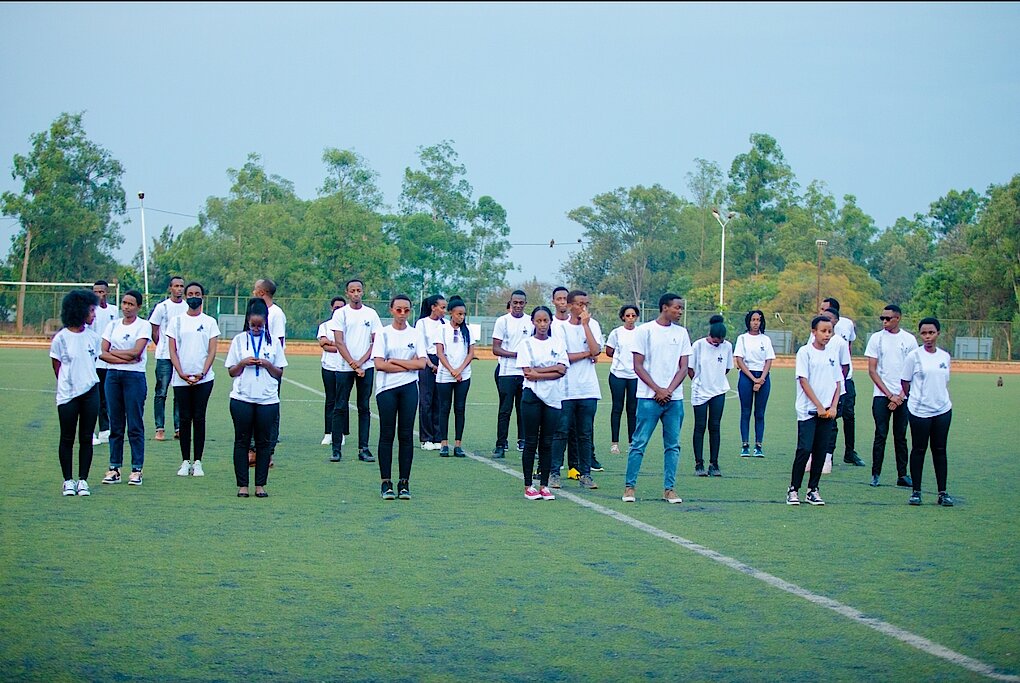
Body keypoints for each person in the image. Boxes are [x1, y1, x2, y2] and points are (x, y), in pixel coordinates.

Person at [623, 293, 691, 504]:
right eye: (677, 308)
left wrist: (668, 390)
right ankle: (629, 487)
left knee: (673, 445)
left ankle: (669, 489)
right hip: (648, 398)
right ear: (664, 307)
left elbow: (684, 367)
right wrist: (657, 389)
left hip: (674, 399)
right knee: (638, 443)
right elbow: (638, 365)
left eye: (681, 308)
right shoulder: (645, 331)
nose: (680, 312)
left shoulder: (681, 333)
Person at [225, 298, 287, 498]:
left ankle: (260, 485)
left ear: (266, 323)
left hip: (267, 400)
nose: (256, 329)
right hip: (242, 398)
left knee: (264, 443)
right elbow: (232, 372)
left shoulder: (273, 342)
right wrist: (243, 363)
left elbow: (279, 373)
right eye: (253, 325)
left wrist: (267, 364)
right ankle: (242, 485)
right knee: (241, 441)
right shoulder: (239, 340)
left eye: (260, 325)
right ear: (248, 322)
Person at [372, 295, 427, 500]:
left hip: (409, 388)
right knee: (387, 434)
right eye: (398, 310)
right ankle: (386, 482)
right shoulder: (383, 333)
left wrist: (395, 361)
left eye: (406, 310)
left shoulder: (416, 334)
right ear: (391, 310)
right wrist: (408, 364)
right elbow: (379, 364)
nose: (402, 314)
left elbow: (421, 364)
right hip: (387, 389)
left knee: (406, 435)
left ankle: (404, 483)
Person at [549, 290, 603, 490]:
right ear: (570, 305)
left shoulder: (592, 324)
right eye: (580, 304)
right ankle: (554, 473)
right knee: (561, 432)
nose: (584, 307)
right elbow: (564, 357)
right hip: (565, 389)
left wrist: (586, 325)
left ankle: (585, 474)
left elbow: (596, 350)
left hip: (588, 390)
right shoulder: (559, 328)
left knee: (585, 434)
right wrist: (587, 354)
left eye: (586, 304)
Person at [787, 315, 843, 506]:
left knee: (820, 451)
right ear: (814, 332)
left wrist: (833, 406)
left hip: (827, 412)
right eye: (823, 331)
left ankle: (813, 489)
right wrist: (818, 406)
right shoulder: (805, 352)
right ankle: (793, 489)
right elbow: (803, 381)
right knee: (805, 449)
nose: (827, 335)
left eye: (830, 331)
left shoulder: (832, 354)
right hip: (808, 411)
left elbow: (838, 383)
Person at [51, 289, 102, 496]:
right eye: (91, 310)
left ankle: (83, 480)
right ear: (79, 310)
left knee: (86, 437)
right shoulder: (60, 339)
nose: (94, 315)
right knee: (67, 438)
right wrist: (69, 384)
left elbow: (93, 362)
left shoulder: (94, 338)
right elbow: (56, 365)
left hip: (91, 392)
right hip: (68, 395)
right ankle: (68, 481)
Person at [167, 282, 220, 478]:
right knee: (184, 419)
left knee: (199, 418)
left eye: (197, 293)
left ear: (202, 297)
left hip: (203, 380)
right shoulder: (176, 321)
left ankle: (198, 461)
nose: (193, 297)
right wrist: (181, 372)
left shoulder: (209, 322)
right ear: (185, 297)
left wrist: (202, 373)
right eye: (190, 294)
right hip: (181, 379)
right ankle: (184, 461)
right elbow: (172, 350)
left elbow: (212, 350)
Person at [901, 318, 955, 507]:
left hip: (942, 410)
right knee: (919, 449)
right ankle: (916, 492)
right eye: (924, 333)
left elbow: (944, 381)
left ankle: (942, 492)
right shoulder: (913, 357)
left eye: (931, 333)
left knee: (940, 450)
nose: (927, 337)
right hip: (919, 411)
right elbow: (905, 382)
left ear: (938, 333)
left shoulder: (944, 357)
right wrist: (915, 399)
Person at [100, 290, 152, 486]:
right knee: (116, 424)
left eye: (131, 304)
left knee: (135, 424)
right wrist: (125, 358)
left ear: (138, 307)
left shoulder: (143, 326)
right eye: (124, 303)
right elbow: (102, 353)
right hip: (113, 377)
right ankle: (114, 468)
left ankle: (136, 469)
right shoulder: (112, 325)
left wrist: (116, 354)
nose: (126, 307)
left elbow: (137, 353)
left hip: (134, 377)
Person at [516, 306, 567, 500]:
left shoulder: (558, 343)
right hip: (532, 396)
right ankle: (529, 485)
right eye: (539, 321)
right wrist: (548, 371)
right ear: (533, 322)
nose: (542, 324)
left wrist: (539, 372)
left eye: (546, 320)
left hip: (553, 398)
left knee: (547, 442)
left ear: (550, 322)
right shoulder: (526, 344)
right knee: (531, 442)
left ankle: (544, 485)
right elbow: (527, 372)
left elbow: (562, 370)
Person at [864, 304, 918, 487]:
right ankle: (875, 474)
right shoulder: (876, 339)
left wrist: (901, 396)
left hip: (903, 396)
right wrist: (889, 395)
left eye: (888, 318)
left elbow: (913, 371)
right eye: (882, 318)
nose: (884, 322)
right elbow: (872, 370)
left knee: (900, 436)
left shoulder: (909, 340)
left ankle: (902, 474)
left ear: (898, 318)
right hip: (882, 395)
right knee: (880, 434)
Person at [329, 280, 382, 463]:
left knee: (364, 407)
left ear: (363, 292)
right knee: (340, 407)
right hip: (344, 367)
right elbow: (339, 342)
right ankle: (336, 449)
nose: (356, 293)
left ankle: (363, 449)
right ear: (347, 293)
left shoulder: (371, 314)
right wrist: (353, 364)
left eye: (359, 290)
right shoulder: (341, 314)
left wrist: (361, 362)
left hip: (365, 367)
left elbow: (376, 341)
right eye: (352, 291)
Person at [821, 297, 865, 466]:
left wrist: (844, 373)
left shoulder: (847, 324)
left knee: (849, 415)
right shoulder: (820, 328)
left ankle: (850, 452)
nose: (821, 312)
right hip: (828, 380)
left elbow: (849, 347)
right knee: (830, 418)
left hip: (846, 379)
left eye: (824, 309)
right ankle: (827, 455)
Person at [689, 316, 733, 477]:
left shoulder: (727, 346)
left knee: (715, 426)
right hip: (700, 391)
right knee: (700, 426)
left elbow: (727, 368)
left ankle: (714, 463)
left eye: (720, 341)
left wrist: (716, 379)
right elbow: (690, 368)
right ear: (710, 335)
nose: (717, 343)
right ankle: (699, 463)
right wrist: (699, 381)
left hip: (718, 391)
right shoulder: (698, 345)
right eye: (715, 340)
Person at [491, 290, 532, 458]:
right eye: (515, 302)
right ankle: (501, 444)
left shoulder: (530, 321)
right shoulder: (502, 321)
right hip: (507, 372)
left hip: (525, 372)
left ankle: (523, 441)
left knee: (524, 409)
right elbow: (496, 348)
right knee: (505, 409)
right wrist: (516, 354)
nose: (518, 306)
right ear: (510, 303)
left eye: (521, 303)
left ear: (525, 304)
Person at [148, 275, 188, 441]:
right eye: (176, 286)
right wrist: (162, 346)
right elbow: (154, 330)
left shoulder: (187, 307)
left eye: (181, 286)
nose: (179, 289)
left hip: (181, 357)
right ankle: (160, 428)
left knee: (179, 392)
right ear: (170, 288)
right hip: (164, 356)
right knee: (161, 392)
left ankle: (179, 427)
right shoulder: (162, 307)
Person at [435, 296, 475, 458]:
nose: (461, 317)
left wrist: (460, 370)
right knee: (444, 408)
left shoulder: (468, 330)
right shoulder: (442, 329)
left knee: (460, 408)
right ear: (451, 313)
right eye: (459, 314)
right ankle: (444, 443)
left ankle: (458, 444)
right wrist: (452, 370)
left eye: (463, 314)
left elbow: (471, 353)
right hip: (445, 375)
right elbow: (440, 352)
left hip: (463, 375)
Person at [253, 278, 286, 464]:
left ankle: (269, 451)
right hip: (254, 367)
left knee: (271, 410)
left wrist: (270, 365)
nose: (253, 292)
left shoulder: (276, 314)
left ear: (262, 292)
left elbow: (278, 342)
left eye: (255, 289)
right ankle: (253, 449)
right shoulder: (255, 310)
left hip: (270, 367)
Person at [733, 309, 774, 458]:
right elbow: (739, 360)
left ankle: (758, 445)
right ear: (748, 321)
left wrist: (761, 379)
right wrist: (753, 379)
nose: (756, 323)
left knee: (760, 413)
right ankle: (745, 445)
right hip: (746, 376)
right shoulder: (742, 338)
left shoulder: (766, 339)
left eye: (758, 320)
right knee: (745, 411)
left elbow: (769, 360)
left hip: (763, 376)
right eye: (753, 320)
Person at [605, 305, 640, 455]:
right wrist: (620, 357)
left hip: (635, 376)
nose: (630, 318)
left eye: (633, 315)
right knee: (617, 408)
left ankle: (632, 442)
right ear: (623, 317)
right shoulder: (616, 333)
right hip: (618, 375)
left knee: (632, 409)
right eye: (628, 315)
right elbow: (609, 351)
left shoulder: (640, 333)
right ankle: (614, 443)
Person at [87, 280, 119, 446]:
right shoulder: (90, 311)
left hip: (109, 360)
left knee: (107, 397)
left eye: (101, 292)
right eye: (96, 292)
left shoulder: (114, 310)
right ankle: (90, 431)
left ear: (107, 292)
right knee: (93, 397)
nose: (99, 294)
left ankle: (105, 429)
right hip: (94, 360)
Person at [415, 294, 447, 451]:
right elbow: (420, 346)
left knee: (439, 401)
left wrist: (442, 364)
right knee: (426, 401)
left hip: (442, 363)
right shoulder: (422, 323)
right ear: (433, 307)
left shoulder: (445, 324)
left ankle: (438, 437)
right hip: (427, 362)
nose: (444, 311)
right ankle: (426, 438)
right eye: (442, 307)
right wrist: (430, 364)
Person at [318, 296, 346, 448]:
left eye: (341, 308)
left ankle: (341, 433)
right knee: (330, 400)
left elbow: (348, 346)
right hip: (328, 366)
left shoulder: (348, 326)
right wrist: (339, 346)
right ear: (331, 308)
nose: (338, 310)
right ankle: (328, 433)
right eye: (336, 307)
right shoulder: (325, 326)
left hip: (344, 368)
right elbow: (324, 345)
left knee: (342, 401)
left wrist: (332, 343)